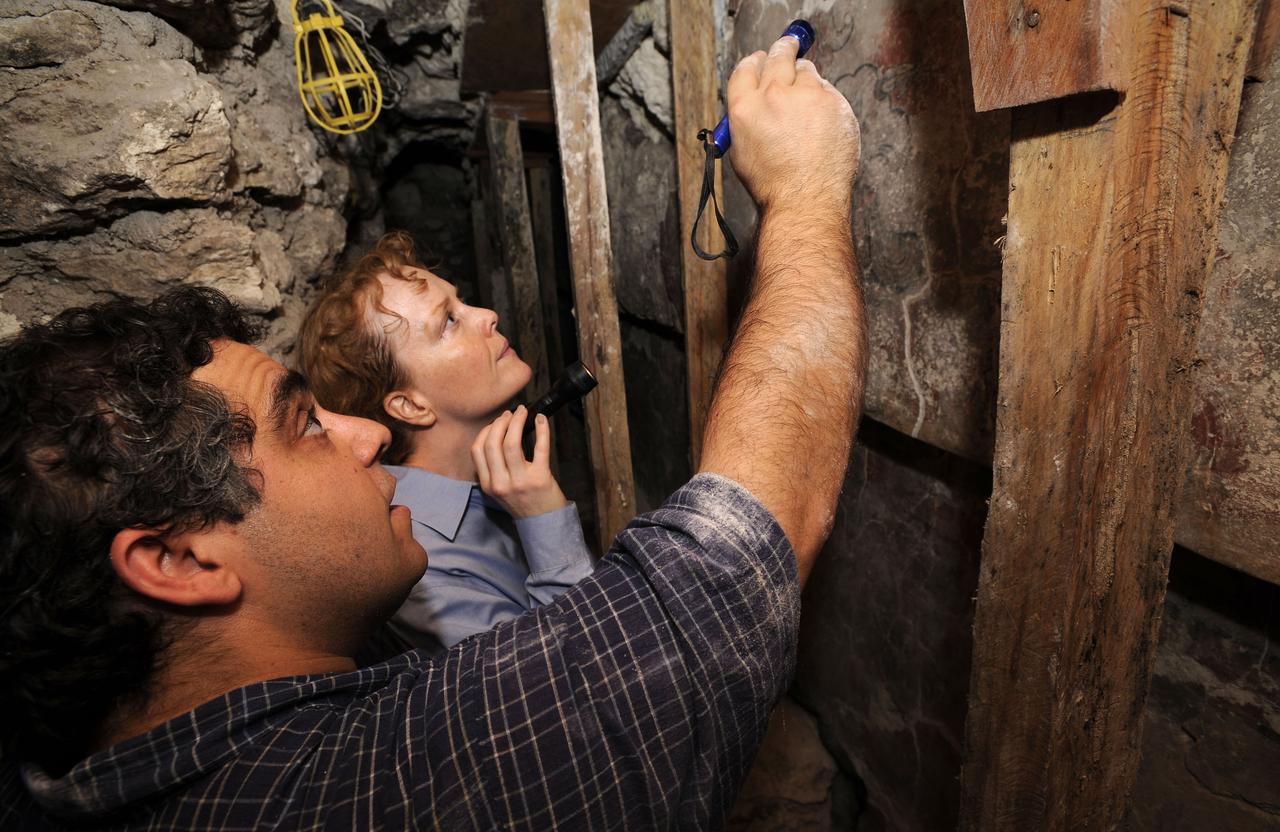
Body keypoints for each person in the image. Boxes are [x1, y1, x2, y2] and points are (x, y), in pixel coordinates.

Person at [0, 36, 863, 829]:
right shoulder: (380, 791)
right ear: (179, 563)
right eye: (301, 426)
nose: (364, 438)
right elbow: (725, 569)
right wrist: (804, 189)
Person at [296, 231, 594, 655]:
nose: (487, 315)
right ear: (410, 406)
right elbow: (570, 690)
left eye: (462, 302)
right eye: (449, 321)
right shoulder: (421, 570)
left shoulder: (494, 485)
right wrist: (545, 520)